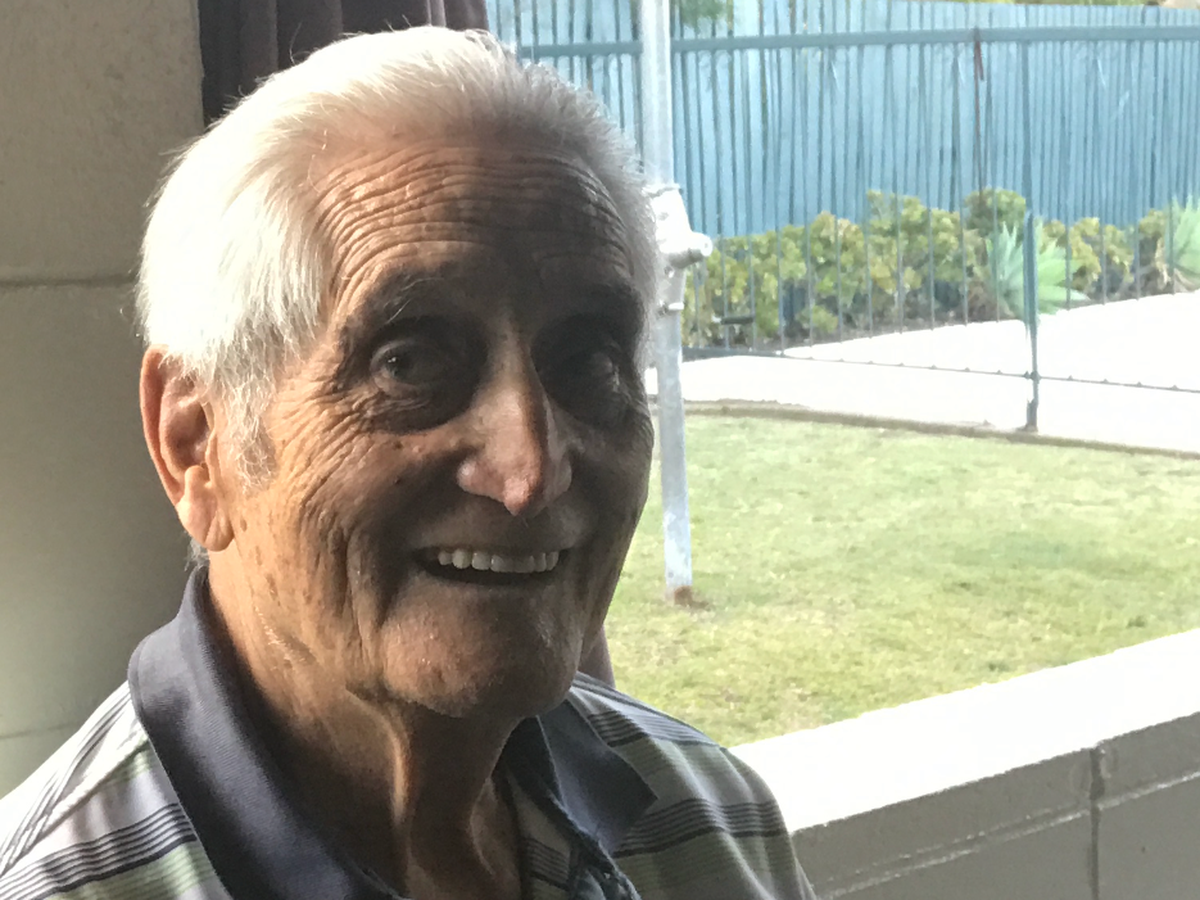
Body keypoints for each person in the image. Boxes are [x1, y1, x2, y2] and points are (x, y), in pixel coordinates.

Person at [0, 28, 814, 900]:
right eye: (410, 361)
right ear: (196, 445)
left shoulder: (712, 820)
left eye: (587, 358)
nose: (531, 472)